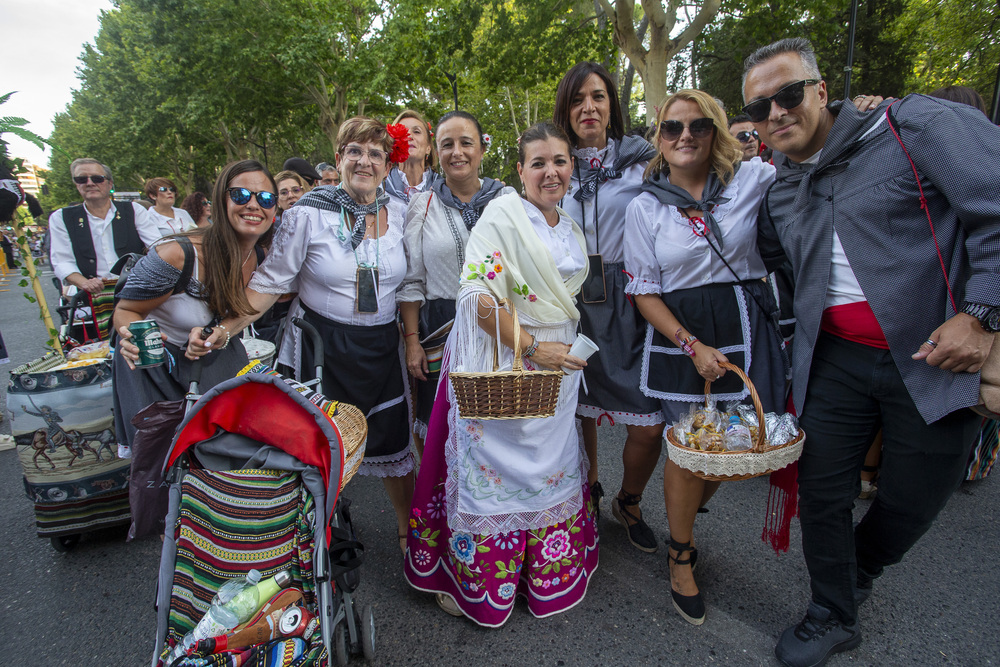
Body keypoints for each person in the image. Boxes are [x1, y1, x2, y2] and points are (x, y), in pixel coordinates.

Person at [742, 38, 1000, 666]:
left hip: (935, 361)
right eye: (758, 107)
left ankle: (860, 567)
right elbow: (782, 269)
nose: (775, 112)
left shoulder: (915, 128)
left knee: (912, 501)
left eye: (788, 94)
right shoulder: (779, 191)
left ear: (822, 90)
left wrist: (982, 315)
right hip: (834, 363)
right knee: (822, 493)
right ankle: (831, 610)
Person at [186, 117, 416, 552]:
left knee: (393, 441)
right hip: (319, 346)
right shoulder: (308, 214)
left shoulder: (402, 213)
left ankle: (408, 531)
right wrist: (222, 329)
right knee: (313, 444)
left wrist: (410, 339)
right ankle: (316, 532)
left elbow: (409, 285)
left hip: (381, 345)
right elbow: (271, 282)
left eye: (374, 153)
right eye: (354, 151)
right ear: (339, 159)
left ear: (387, 165)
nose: (363, 161)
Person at [404, 121, 598, 626]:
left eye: (559, 161)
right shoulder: (503, 215)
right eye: (538, 163)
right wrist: (536, 348)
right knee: (495, 477)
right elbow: (478, 303)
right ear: (520, 170)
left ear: (571, 166)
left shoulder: (568, 223)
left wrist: (558, 354)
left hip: (557, 370)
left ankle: (542, 576)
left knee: (549, 467)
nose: (550, 172)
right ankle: (482, 585)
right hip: (504, 358)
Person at [624, 89, 787, 626]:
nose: (685, 136)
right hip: (680, 333)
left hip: (744, 324)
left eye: (697, 125)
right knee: (687, 448)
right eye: (672, 128)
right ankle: (681, 552)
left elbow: (812, 156)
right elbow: (644, 291)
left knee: (733, 445)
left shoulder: (754, 180)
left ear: (716, 130)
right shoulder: (645, 206)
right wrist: (691, 345)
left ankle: (687, 510)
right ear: (659, 138)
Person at [552, 61, 664, 553]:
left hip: (630, 298)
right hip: (571, 298)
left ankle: (630, 499)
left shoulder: (644, 163)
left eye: (597, 97)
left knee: (650, 418)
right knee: (577, 410)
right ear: (566, 111)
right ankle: (589, 492)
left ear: (612, 105)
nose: (588, 108)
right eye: (577, 100)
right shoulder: (555, 166)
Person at [112, 159, 275, 458]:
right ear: (220, 201)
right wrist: (131, 336)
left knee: (227, 456)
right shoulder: (178, 253)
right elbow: (125, 310)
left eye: (265, 198)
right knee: (166, 462)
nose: (254, 205)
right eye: (241, 195)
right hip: (156, 370)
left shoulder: (262, 256)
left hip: (213, 360)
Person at [397, 111, 512, 450]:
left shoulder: (506, 200)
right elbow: (412, 282)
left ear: (481, 149)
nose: (457, 152)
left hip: (500, 325)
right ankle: (441, 501)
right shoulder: (422, 205)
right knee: (441, 427)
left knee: (498, 425)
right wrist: (412, 342)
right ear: (436, 152)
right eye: (447, 145)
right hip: (441, 327)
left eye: (466, 143)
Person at [48, 158, 161, 338]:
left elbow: (157, 246)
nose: (90, 183)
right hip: (92, 294)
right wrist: (84, 282)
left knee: (141, 340)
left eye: (97, 178)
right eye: (82, 179)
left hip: (134, 289)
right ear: (76, 185)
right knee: (97, 349)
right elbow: (62, 261)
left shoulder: (133, 210)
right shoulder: (61, 217)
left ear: (109, 183)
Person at [383, 109, 438, 206]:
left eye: (416, 131)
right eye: (403, 131)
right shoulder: (379, 188)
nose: (409, 136)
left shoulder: (443, 189)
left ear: (428, 147)